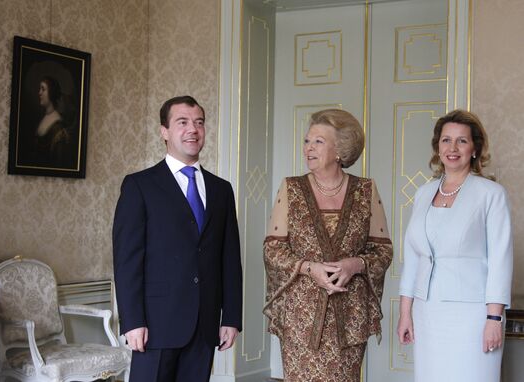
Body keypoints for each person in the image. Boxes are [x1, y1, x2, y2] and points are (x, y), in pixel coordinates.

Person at [113, 95, 243, 381]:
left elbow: (230, 259)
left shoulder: (222, 190)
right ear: (164, 131)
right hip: (155, 326)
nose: (192, 129)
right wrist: (132, 322)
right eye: (182, 122)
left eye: (199, 122)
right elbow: (127, 261)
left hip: (205, 325)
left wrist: (231, 317)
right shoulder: (139, 186)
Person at [263, 109, 393, 382]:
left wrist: (355, 264)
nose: (308, 148)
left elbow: (383, 250)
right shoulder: (291, 188)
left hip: (350, 317)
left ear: (340, 150)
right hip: (302, 317)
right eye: (307, 141)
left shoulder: (366, 190)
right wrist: (309, 268)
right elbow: (272, 249)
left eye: (318, 142)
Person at [397, 109, 513, 382]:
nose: (452, 148)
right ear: (437, 147)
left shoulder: (491, 194)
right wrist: (405, 313)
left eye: (462, 141)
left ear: (475, 149)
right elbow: (414, 257)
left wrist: (494, 320)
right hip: (427, 312)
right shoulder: (423, 193)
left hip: (473, 315)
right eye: (446, 140)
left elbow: (501, 259)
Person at [32, 76, 73, 168]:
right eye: (40, 89)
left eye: (43, 89)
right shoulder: (43, 117)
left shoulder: (58, 126)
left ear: (51, 92)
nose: (39, 93)